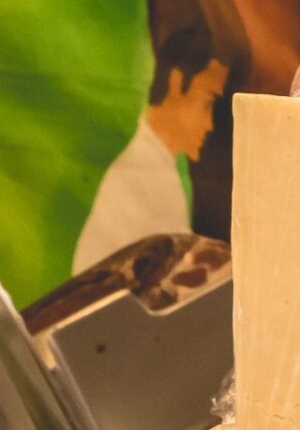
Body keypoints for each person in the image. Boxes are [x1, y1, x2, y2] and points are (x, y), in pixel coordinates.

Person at [71, 28, 228, 273]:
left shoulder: (161, 164)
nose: (209, 124)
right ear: (176, 82)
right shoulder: (144, 176)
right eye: (207, 102)